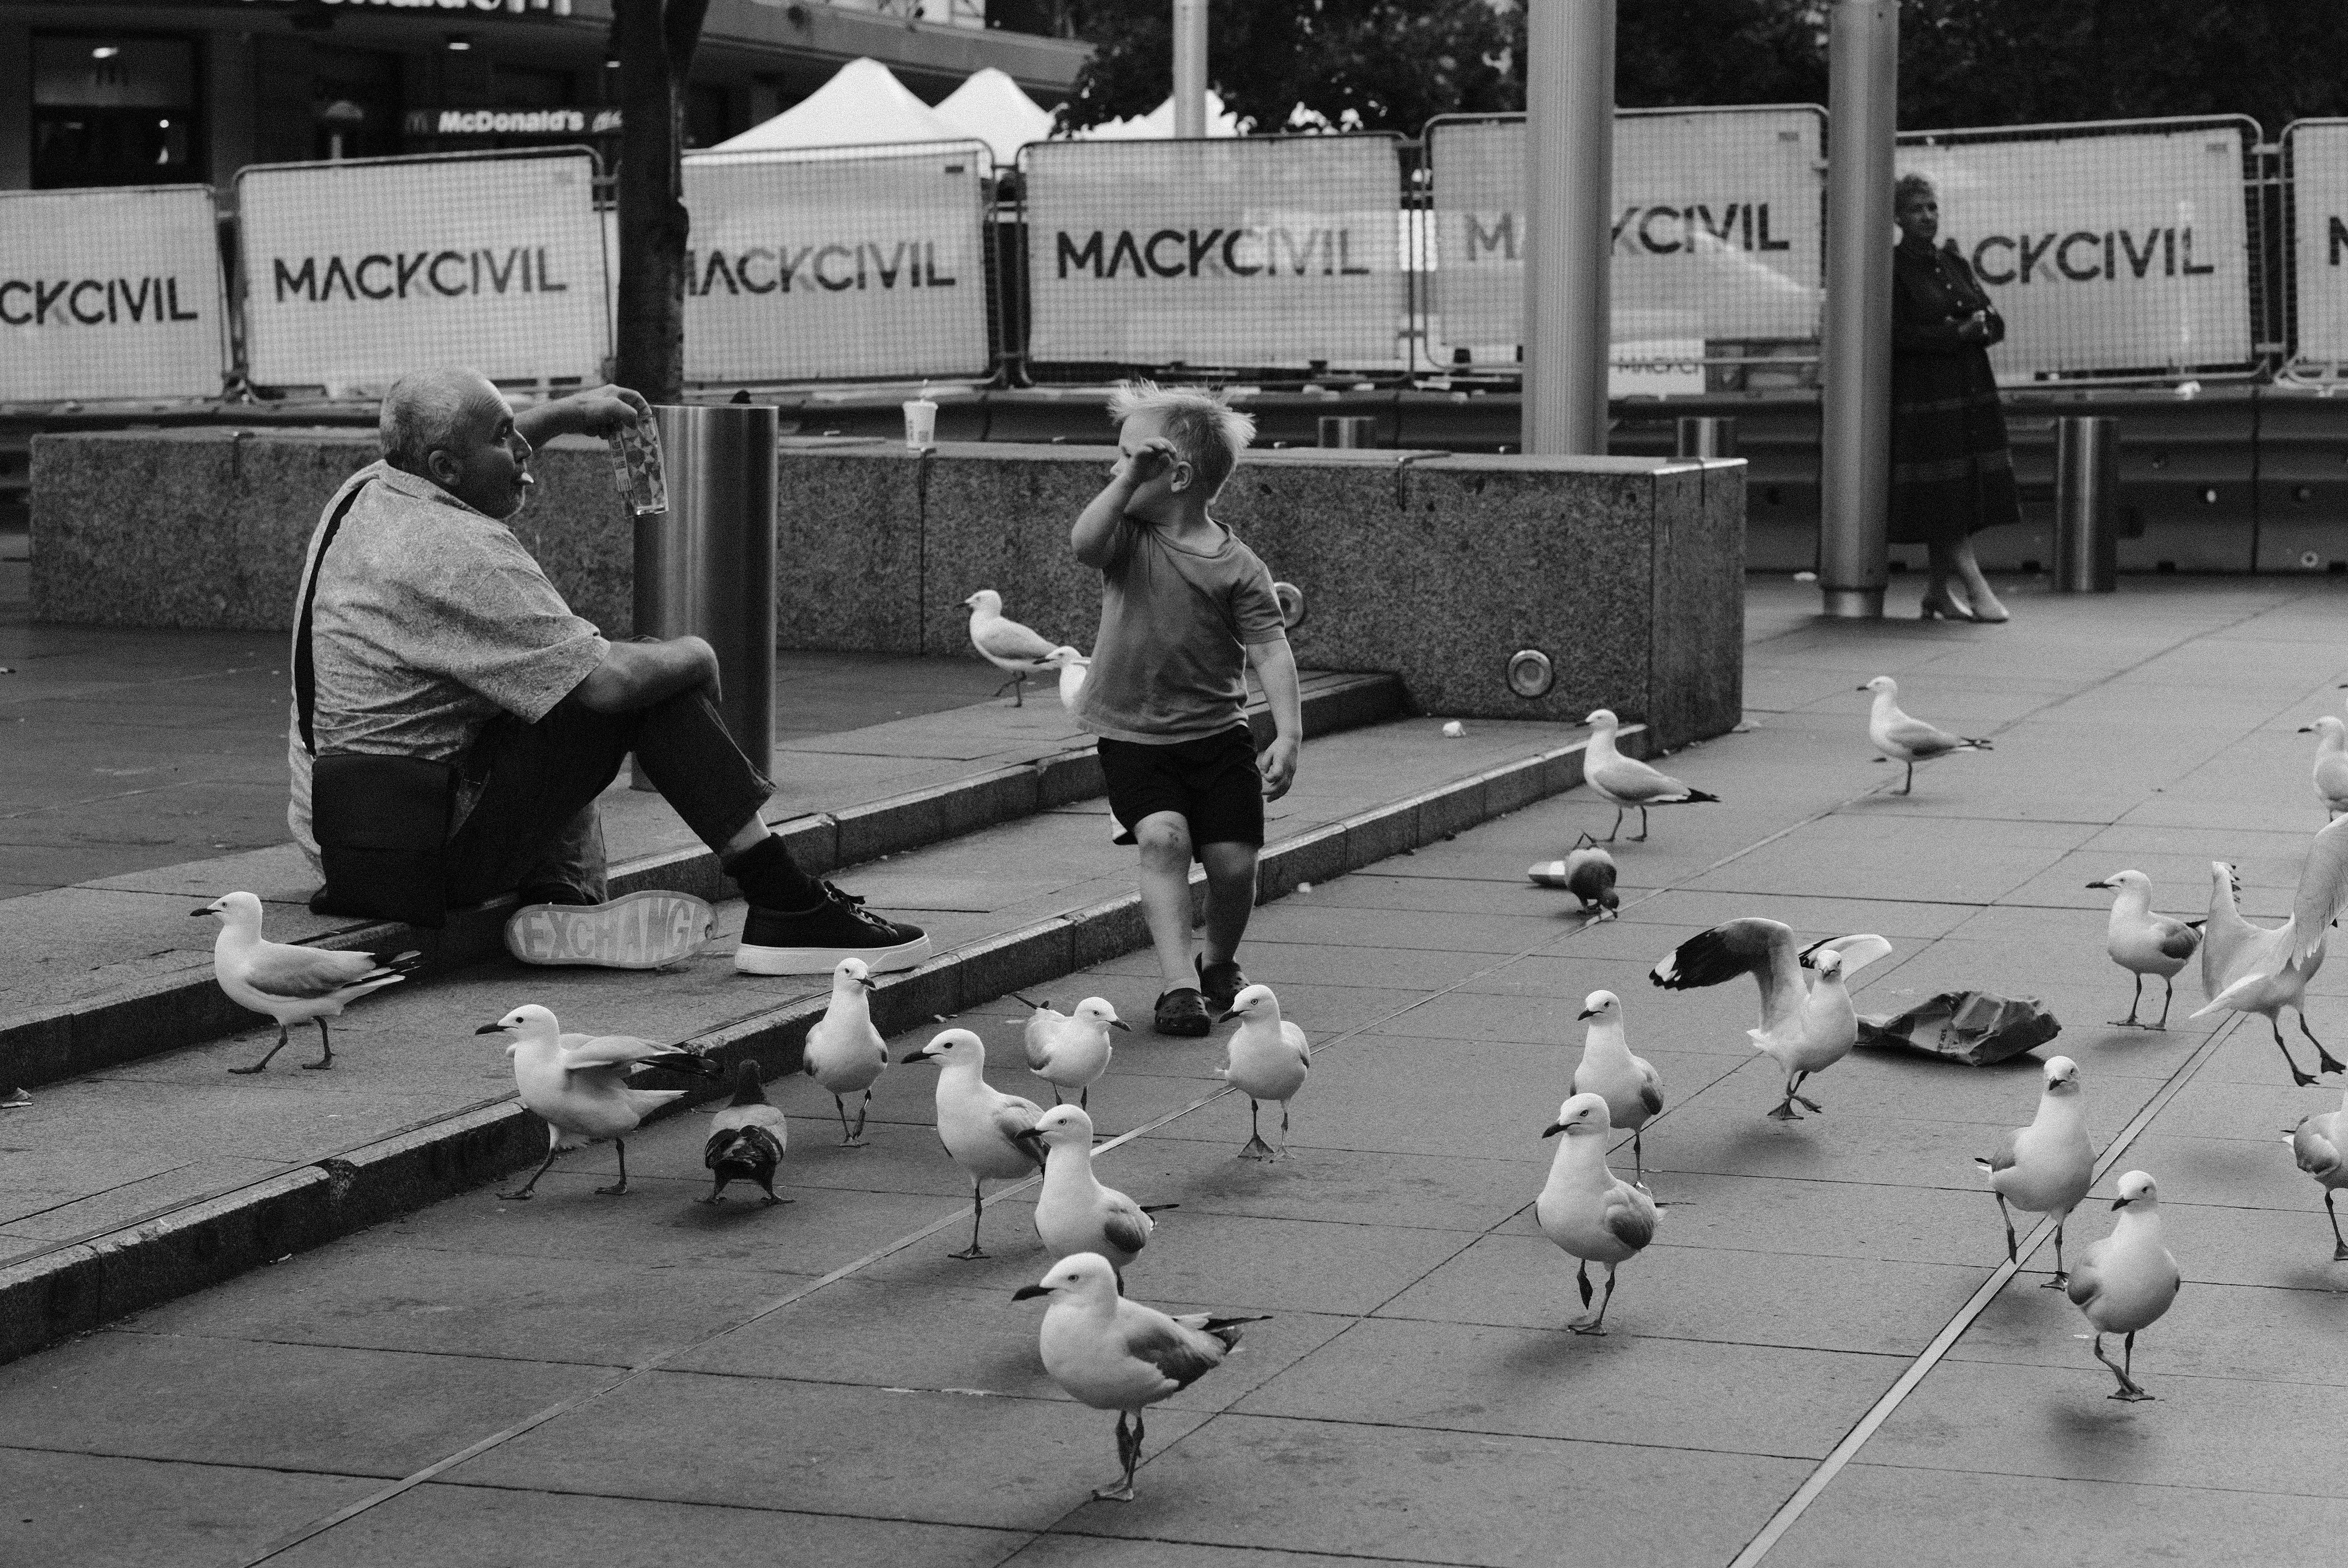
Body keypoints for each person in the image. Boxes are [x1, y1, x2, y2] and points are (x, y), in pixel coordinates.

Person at [287, 366, 929, 976]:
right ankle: (786, 902)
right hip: (426, 854)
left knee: (554, 677)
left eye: (515, 428)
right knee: (640, 682)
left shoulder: (368, 491)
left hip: (349, 838)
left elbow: (463, 452)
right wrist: (700, 654)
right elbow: (608, 684)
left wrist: (565, 414)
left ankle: (558, 898)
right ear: (445, 467)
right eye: (502, 438)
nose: (521, 449)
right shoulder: (457, 552)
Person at [1069, 381, 1302, 1036]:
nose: (1115, 469)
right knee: (1163, 840)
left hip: (1217, 736)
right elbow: (1083, 544)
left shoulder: (1239, 566)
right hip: (1132, 733)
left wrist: (1288, 731)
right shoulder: (1128, 539)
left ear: (1175, 475)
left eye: (1128, 459)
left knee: (1233, 863)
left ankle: (1217, 963)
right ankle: (1177, 986)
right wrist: (1123, 486)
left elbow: (1270, 651)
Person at [1891, 171, 2020, 623]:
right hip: (1928, 397)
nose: (1927, 217)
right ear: (1897, 217)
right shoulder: (1893, 268)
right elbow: (1897, 336)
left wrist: (1981, 329)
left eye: (1932, 207)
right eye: (1915, 209)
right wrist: (1955, 334)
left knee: (1955, 494)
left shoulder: (1954, 262)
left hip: (1969, 391)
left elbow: (1994, 319)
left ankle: (1935, 594)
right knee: (1945, 496)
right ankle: (1976, 586)